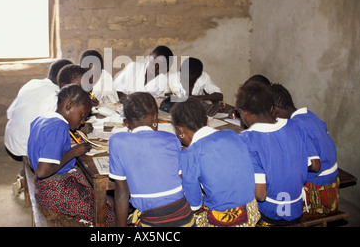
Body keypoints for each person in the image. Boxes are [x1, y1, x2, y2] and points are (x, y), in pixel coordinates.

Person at [27, 84, 114, 226]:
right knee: (106, 212)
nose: (83, 121)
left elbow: (41, 153)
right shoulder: (59, 127)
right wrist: (74, 152)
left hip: (44, 188)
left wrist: (71, 148)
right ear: (69, 106)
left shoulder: (42, 119)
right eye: (83, 115)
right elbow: (42, 171)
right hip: (55, 191)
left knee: (102, 198)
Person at [235, 81, 320, 226]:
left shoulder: (247, 139)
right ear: (271, 107)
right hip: (295, 211)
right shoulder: (297, 126)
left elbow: (260, 195)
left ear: (243, 112)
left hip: (269, 215)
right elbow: (311, 164)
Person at [108, 92, 194, 227]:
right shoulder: (172, 139)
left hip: (153, 221)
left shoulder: (117, 141)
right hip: (185, 217)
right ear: (155, 117)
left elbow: (122, 192)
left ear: (126, 123)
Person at [170, 98, 260, 227]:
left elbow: (194, 204)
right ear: (207, 120)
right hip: (252, 212)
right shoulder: (232, 134)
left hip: (225, 221)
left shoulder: (189, 154)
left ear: (179, 130)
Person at [271, 83, 338, 219]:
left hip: (317, 192)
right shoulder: (309, 115)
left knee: (273, 190)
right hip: (332, 188)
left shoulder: (296, 125)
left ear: (274, 112)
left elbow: (314, 165)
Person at [4, 58, 72, 158]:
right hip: (26, 146)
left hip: (11, 140)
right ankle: (35, 167)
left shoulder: (32, 83)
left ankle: (27, 168)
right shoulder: (57, 95)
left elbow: (9, 114)